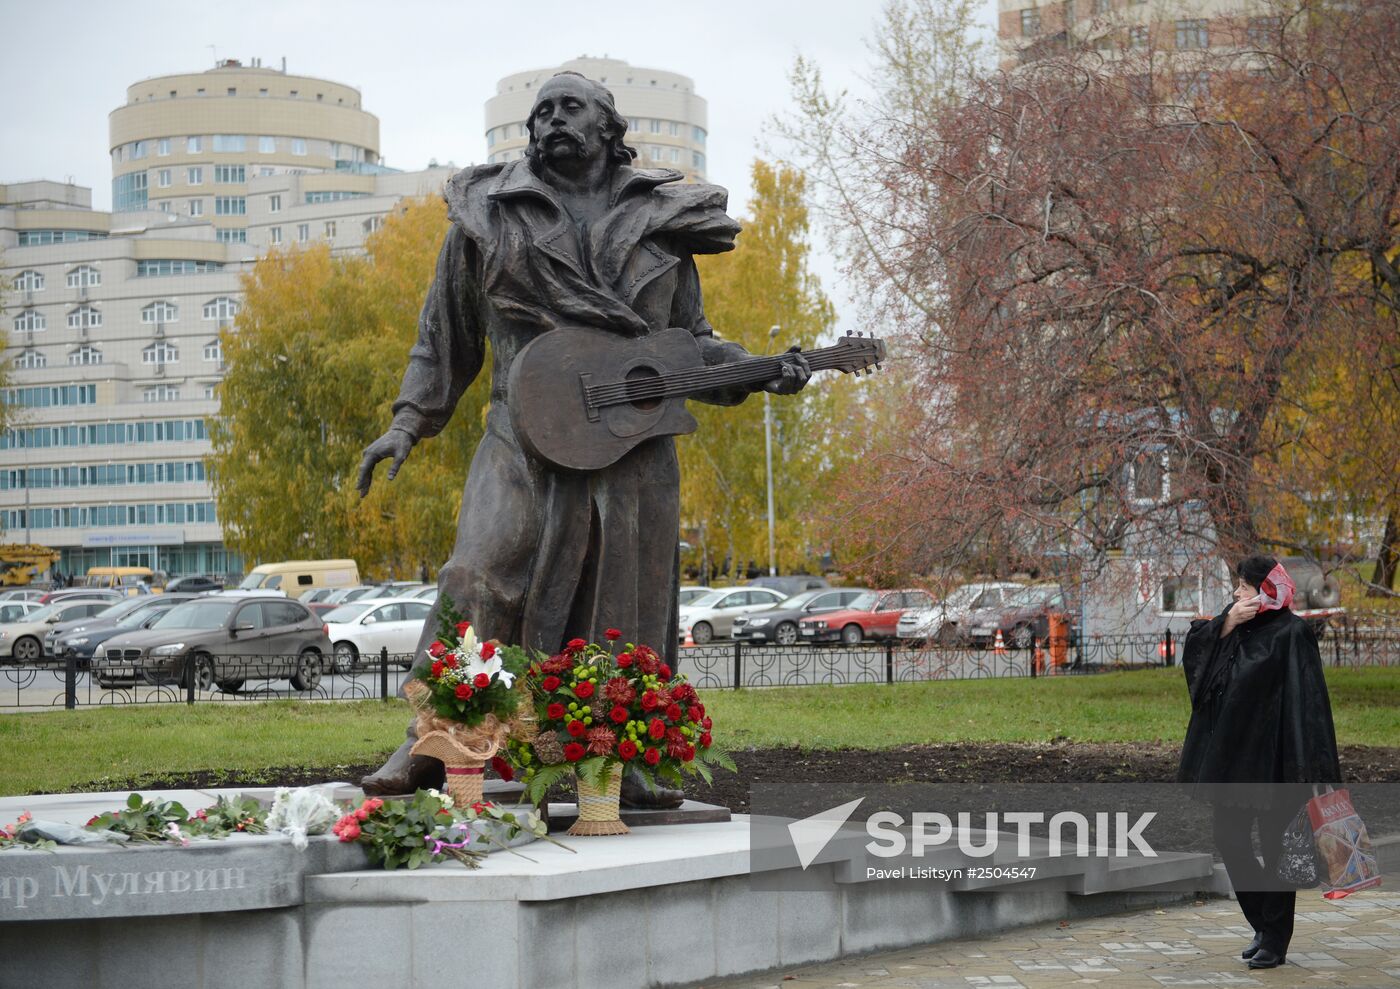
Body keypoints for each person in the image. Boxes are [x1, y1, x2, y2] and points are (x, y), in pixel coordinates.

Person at [355, 71, 809, 798]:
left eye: (570, 108)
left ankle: (622, 761)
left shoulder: (661, 223)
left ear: (607, 128)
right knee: (474, 576)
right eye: (541, 113)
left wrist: (758, 371)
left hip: (629, 447)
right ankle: (433, 744)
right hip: (520, 436)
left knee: (623, 613)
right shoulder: (488, 217)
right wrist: (408, 422)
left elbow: (688, 343)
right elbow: (443, 338)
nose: (552, 121)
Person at [1178, 556, 1342, 970]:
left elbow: (1310, 702)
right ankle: (1263, 925)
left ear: (1268, 590)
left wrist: (1312, 766)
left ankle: (1276, 939)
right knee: (1229, 838)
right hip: (1233, 759)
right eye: (1237, 586)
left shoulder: (1293, 633)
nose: (1237, 593)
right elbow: (1199, 670)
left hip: (1277, 760)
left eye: (1245, 587)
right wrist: (1226, 624)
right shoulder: (1234, 623)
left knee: (1277, 849)